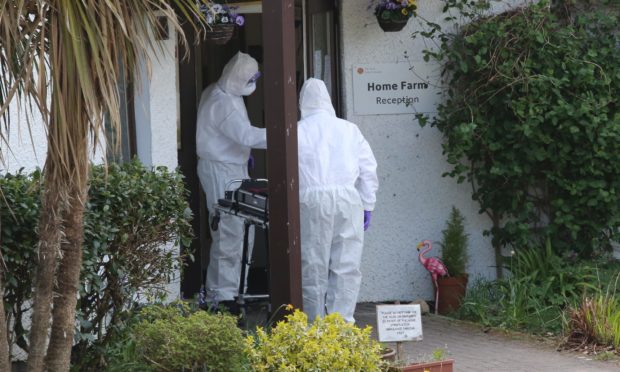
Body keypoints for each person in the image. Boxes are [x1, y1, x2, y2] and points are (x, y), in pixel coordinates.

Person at [297, 78, 379, 323]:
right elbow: (368, 169)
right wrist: (368, 204)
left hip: (310, 201)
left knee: (312, 265)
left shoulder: (296, 130)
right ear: (328, 101)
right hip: (347, 199)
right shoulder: (349, 129)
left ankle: (313, 326)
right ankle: (341, 326)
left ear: (302, 102)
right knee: (347, 264)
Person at [196, 51, 266, 309]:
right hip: (222, 170)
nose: (253, 83)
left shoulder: (221, 92)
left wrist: (242, 156)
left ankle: (231, 291)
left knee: (237, 231)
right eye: (250, 79)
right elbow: (245, 135)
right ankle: (223, 298)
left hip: (229, 167)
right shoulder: (222, 101)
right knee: (228, 232)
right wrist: (286, 135)